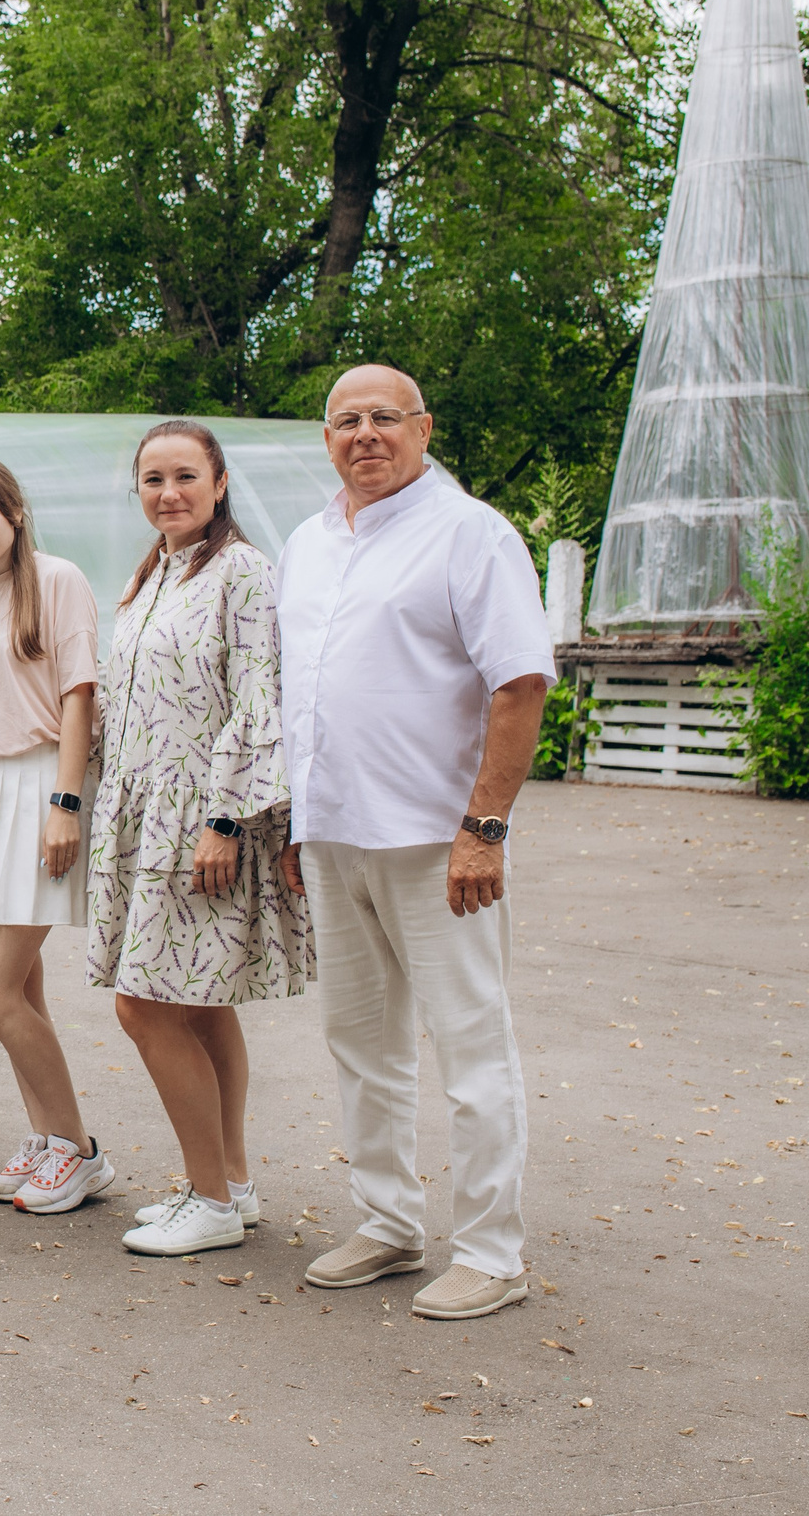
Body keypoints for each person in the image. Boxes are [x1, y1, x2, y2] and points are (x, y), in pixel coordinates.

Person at [277, 364, 552, 1320]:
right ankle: (389, 1221)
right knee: (361, 1043)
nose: (365, 435)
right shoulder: (309, 544)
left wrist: (485, 828)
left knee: (472, 1046)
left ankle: (492, 1252)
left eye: (384, 418)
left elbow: (520, 683)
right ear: (326, 441)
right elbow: (302, 694)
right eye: (346, 421)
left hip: (439, 842)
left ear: (423, 429)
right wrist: (297, 819)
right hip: (333, 835)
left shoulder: (471, 533)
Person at [86, 422, 314, 1256]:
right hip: (142, 813)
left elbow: (260, 697)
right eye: (153, 479)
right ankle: (234, 1185)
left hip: (202, 819)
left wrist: (226, 822)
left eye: (185, 476)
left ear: (219, 484)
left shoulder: (242, 572)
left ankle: (208, 1198)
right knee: (201, 1005)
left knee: (143, 1005)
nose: (168, 492)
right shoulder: (154, 572)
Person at [0, 454, 113, 1215]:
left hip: (41, 785)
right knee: (23, 987)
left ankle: (78, 1149)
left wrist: (65, 803)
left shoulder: (57, 579)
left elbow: (80, 695)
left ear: (14, 512)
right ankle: (46, 1139)